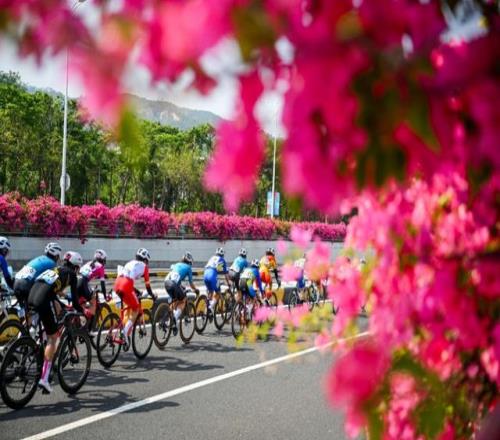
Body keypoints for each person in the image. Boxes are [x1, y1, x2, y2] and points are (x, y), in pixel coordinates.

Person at [28, 251, 83, 394]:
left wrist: (62, 305)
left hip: (31, 296)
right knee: (54, 337)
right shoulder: (72, 275)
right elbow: (76, 302)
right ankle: (44, 379)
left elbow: (51, 291)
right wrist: (83, 311)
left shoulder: (55, 269)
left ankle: (35, 347)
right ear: (76, 267)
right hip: (42, 300)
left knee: (48, 326)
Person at [113, 248, 156, 348]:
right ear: (145, 260)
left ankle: (121, 330)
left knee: (129, 305)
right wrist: (152, 295)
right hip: (126, 286)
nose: (147, 263)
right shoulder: (144, 267)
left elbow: (127, 278)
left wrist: (136, 291)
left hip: (117, 284)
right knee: (136, 309)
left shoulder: (130, 263)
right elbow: (148, 286)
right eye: (147, 261)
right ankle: (124, 332)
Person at [13, 242, 62, 311]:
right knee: (48, 303)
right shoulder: (52, 263)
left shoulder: (39, 258)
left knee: (27, 312)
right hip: (26, 286)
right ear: (56, 256)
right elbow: (52, 284)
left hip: (16, 284)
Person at [164, 252, 199, 335]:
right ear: (190, 262)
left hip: (166, 283)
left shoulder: (177, 264)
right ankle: (174, 319)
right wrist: (196, 289)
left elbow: (176, 277)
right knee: (183, 300)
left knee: (175, 300)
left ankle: (167, 321)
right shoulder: (188, 267)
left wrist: (181, 287)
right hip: (174, 284)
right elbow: (191, 283)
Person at [77, 249, 108, 320]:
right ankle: (90, 322)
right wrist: (105, 296)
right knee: (93, 300)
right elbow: (102, 284)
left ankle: (81, 319)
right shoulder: (101, 267)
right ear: (102, 259)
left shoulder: (89, 263)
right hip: (83, 282)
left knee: (82, 302)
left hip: (76, 281)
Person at [203, 247, 229, 320]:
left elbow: (215, 268)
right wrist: (228, 283)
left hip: (205, 275)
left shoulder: (212, 258)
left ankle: (206, 311)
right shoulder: (222, 260)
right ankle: (210, 307)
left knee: (210, 291)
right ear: (223, 254)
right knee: (218, 292)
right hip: (212, 277)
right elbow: (224, 273)